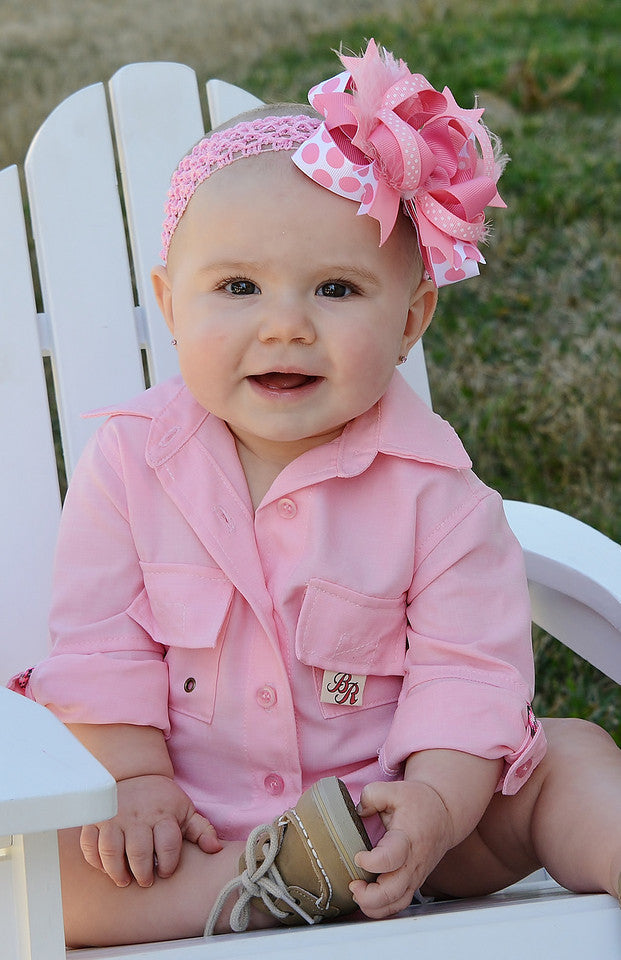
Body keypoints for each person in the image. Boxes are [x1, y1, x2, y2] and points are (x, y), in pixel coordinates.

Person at [9, 39, 621, 948]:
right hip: (193, 829)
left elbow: (470, 673)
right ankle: (266, 888)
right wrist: (136, 785)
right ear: (172, 306)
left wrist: (437, 803)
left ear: (410, 318)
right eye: (238, 288)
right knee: (45, 877)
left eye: (336, 288)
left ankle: (332, 876)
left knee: (570, 759)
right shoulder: (129, 465)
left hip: (402, 823)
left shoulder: (440, 495)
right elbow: (99, 652)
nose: (285, 324)